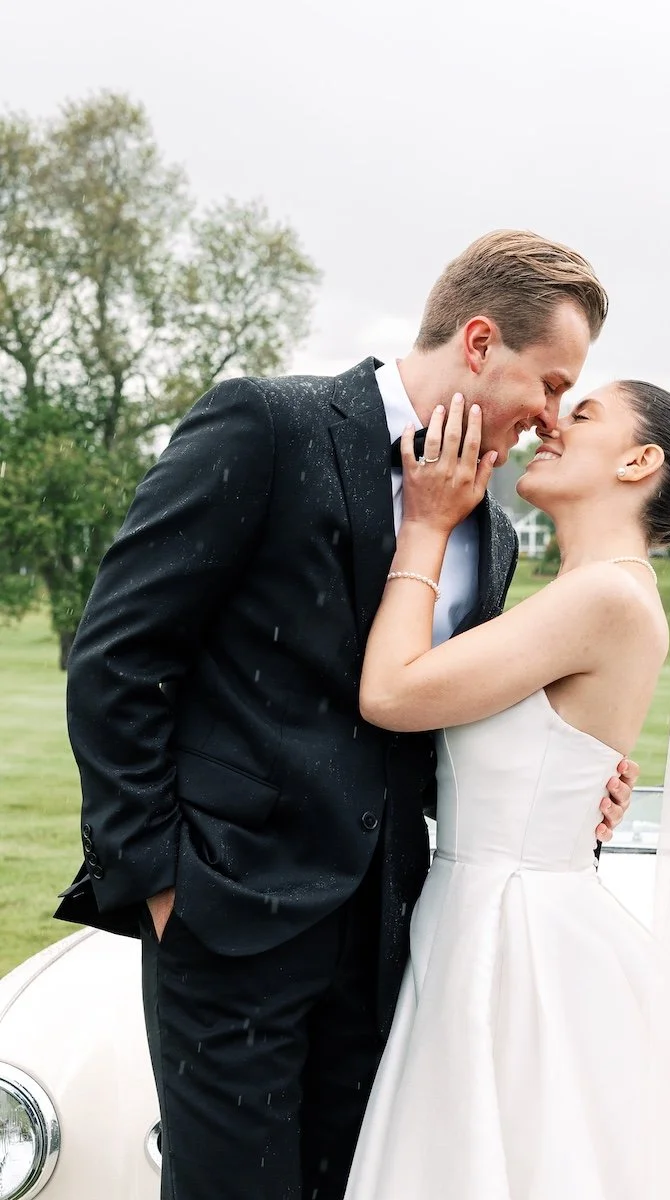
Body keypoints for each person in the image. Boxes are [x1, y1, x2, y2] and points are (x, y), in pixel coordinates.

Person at [53, 230, 635, 1200]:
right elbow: (119, 655)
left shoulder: (489, 533)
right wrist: (159, 883)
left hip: (390, 943)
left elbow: (438, 716)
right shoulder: (267, 426)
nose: (547, 420)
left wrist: (571, 780)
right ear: (481, 342)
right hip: (227, 914)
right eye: (548, 382)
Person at [345, 382, 670, 1198]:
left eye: (586, 413)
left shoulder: (605, 595)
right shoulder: (588, 592)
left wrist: (426, 525)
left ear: (640, 461)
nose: (553, 424)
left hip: (513, 938)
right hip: (484, 912)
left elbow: (390, 694)